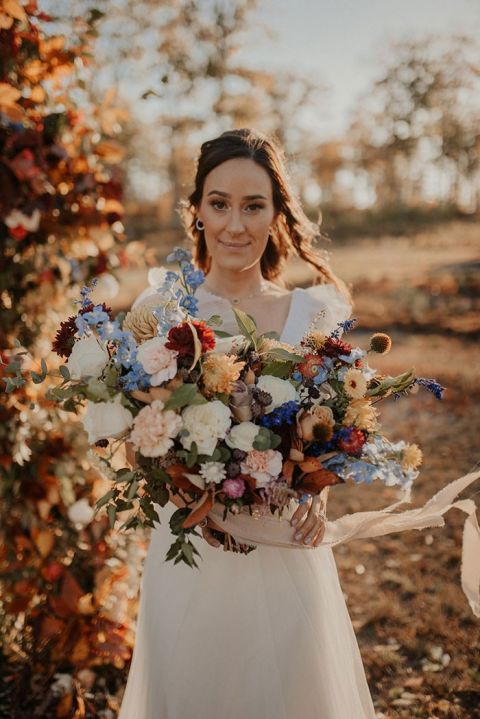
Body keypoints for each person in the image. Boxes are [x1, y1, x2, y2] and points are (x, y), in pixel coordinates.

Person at [118, 128, 378, 718]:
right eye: (220, 203)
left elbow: (336, 429)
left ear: (276, 213)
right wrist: (168, 466)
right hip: (190, 545)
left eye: (253, 205)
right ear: (198, 212)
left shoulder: (312, 315)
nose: (236, 225)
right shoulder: (162, 313)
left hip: (287, 543)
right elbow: (135, 438)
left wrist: (320, 485)